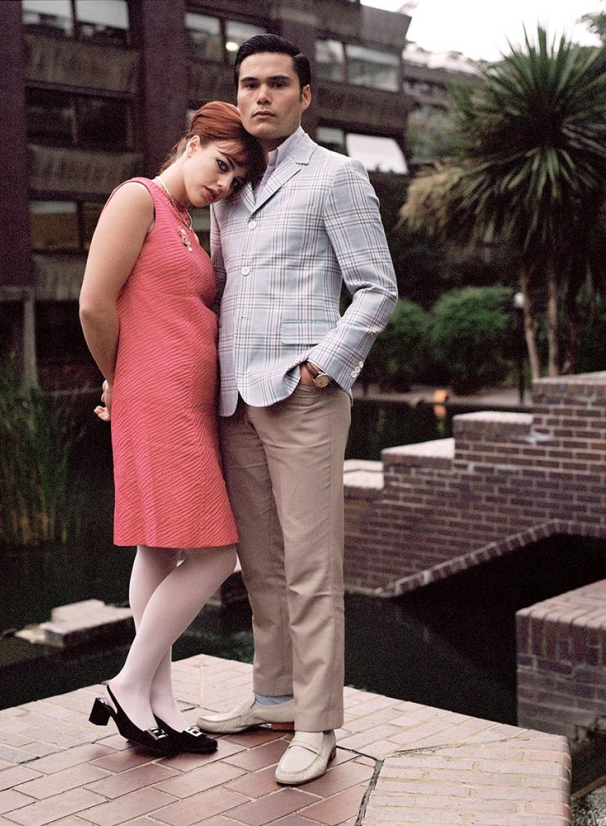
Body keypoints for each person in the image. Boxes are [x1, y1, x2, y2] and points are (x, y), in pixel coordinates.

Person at [196, 35, 398, 784]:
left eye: (276, 84)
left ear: (304, 96)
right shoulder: (231, 184)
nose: (259, 97)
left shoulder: (336, 176)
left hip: (304, 397)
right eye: (248, 84)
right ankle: (273, 697)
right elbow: (220, 289)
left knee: (312, 568)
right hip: (234, 400)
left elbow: (376, 288)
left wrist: (326, 363)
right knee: (262, 566)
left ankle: (316, 724)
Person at [79, 102, 265, 756]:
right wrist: (116, 376)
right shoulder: (137, 199)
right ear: (190, 141)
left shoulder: (189, 221)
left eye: (237, 180)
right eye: (221, 165)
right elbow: (93, 302)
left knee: (158, 549)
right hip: (153, 400)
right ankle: (128, 684)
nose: (224, 185)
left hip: (184, 404)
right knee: (217, 553)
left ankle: (156, 701)